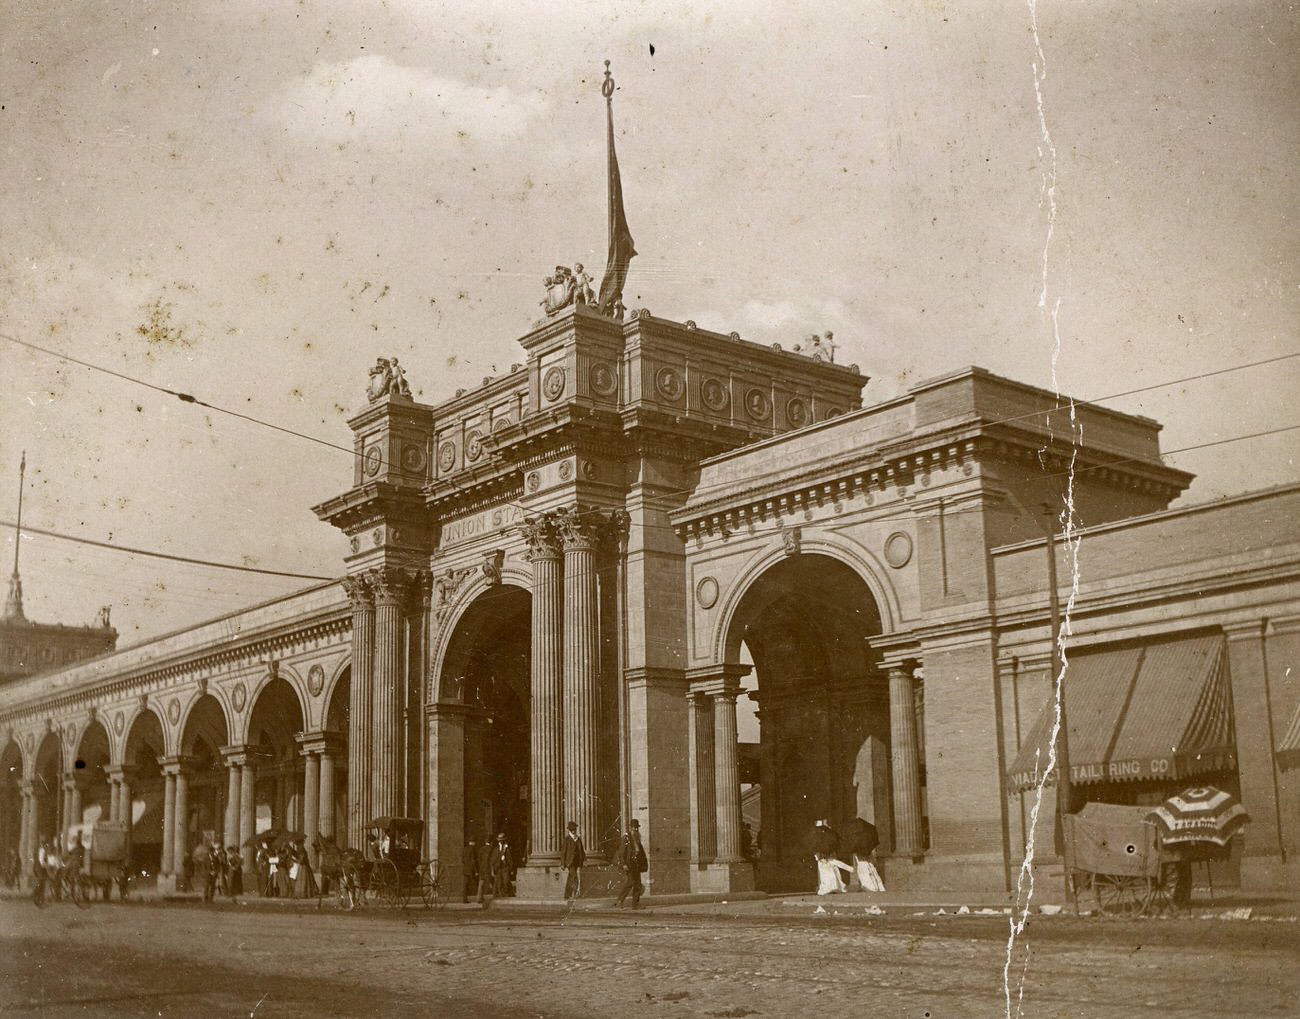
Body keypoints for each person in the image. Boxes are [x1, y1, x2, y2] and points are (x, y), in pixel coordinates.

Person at [615, 819, 648, 909]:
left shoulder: (637, 838)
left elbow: (640, 851)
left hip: (636, 864)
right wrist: (624, 864)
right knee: (630, 882)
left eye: (637, 828)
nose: (635, 830)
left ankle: (635, 904)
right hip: (629, 864)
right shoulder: (626, 838)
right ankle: (619, 901)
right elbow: (621, 853)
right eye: (634, 828)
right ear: (630, 828)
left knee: (637, 884)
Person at [812, 819, 852, 895]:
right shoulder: (827, 837)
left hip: (824, 859)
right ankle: (831, 887)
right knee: (829, 873)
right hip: (824, 859)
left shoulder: (822, 838)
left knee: (828, 874)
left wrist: (821, 856)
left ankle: (830, 887)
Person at [846, 818, 885, 893]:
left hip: (862, 866)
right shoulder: (867, 846)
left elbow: (856, 862)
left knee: (865, 879)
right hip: (869, 865)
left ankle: (865, 888)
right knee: (873, 878)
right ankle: (872, 888)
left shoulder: (855, 848)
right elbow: (871, 858)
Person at [561, 820, 586, 900]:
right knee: (574, 877)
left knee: (570, 877)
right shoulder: (567, 839)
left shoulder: (578, 839)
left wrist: (584, 860)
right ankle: (575, 894)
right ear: (569, 830)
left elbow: (581, 850)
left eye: (574, 829)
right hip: (570, 862)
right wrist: (562, 863)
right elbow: (563, 852)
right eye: (572, 829)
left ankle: (567, 895)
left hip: (577, 861)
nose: (574, 831)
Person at [492, 833, 513, 899]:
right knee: (499, 883)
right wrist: (494, 868)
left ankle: (506, 895)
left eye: (502, 840)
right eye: (500, 840)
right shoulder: (496, 849)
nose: (501, 841)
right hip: (498, 868)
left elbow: (510, 859)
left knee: (506, 881)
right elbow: (493, 859)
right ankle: (501, 896)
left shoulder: (507, 848)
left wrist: (511, 868)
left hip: (505, 867)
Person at [475, 836, 494, 907]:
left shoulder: (481, 849)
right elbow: (492, 860)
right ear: (491, 842)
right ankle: (495, 897)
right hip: (488, 868)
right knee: (492, 882)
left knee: (481, 883)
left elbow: (479, 859)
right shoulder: (491, 849)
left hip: (482, 869)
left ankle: (479, 898)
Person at [463, 838, 480, 904]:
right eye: (475, 842)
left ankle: (464, 899)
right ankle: (479, 898)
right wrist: (475, 871)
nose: (475, 844)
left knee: (465, 885)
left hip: (465, 869)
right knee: (476, 883)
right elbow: (473, 861)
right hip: (471, 870)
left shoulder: (465, 849)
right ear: (472, 842)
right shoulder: (472, 849)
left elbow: (463, 860)